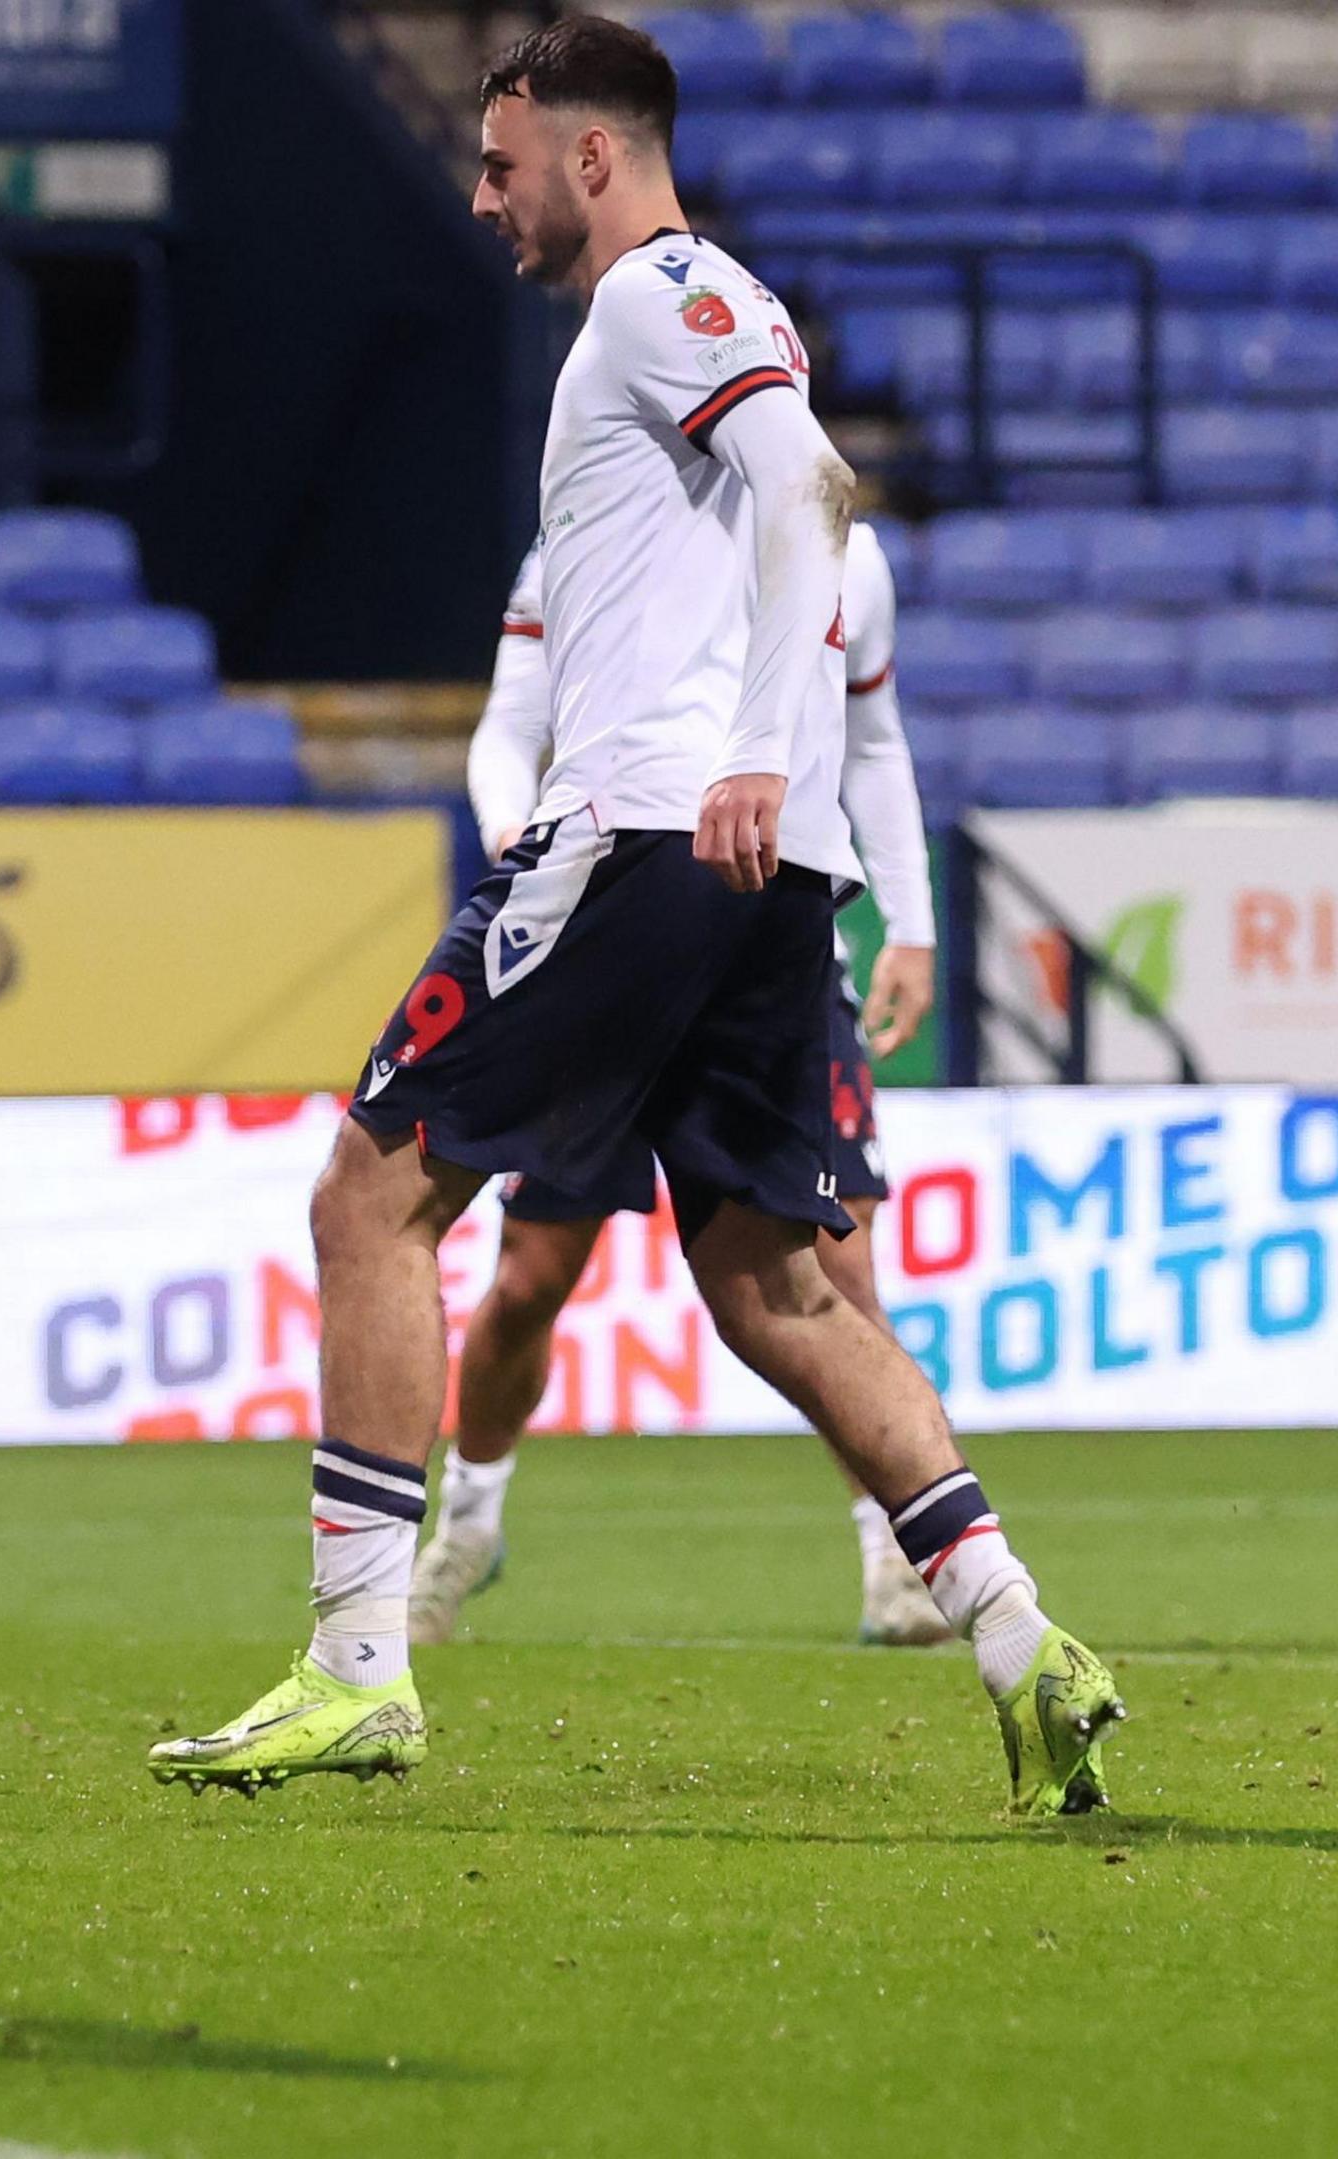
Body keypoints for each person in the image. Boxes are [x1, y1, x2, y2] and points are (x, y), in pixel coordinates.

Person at [148, 18, 1123, 1815]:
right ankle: (1016, 1631)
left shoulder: (660, 291)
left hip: (657, 835)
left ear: (593, 157)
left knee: (372, 1191)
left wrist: (750, 750)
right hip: (756, 866)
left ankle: (358, 1663)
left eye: (504, 162)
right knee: (773, 1283)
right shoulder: (671, 314)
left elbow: (809, 489)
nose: (483, 191)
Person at [415, 519, 947, 1647]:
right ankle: (468, 1519)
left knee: (840, 1274)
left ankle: (895, 1561)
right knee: (529, 1281)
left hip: (776, 965)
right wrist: (518, 833)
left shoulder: (842, 550)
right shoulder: (585, 532)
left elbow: (873, 740)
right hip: (610, 955)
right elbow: (511, 728)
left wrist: (914, 922)